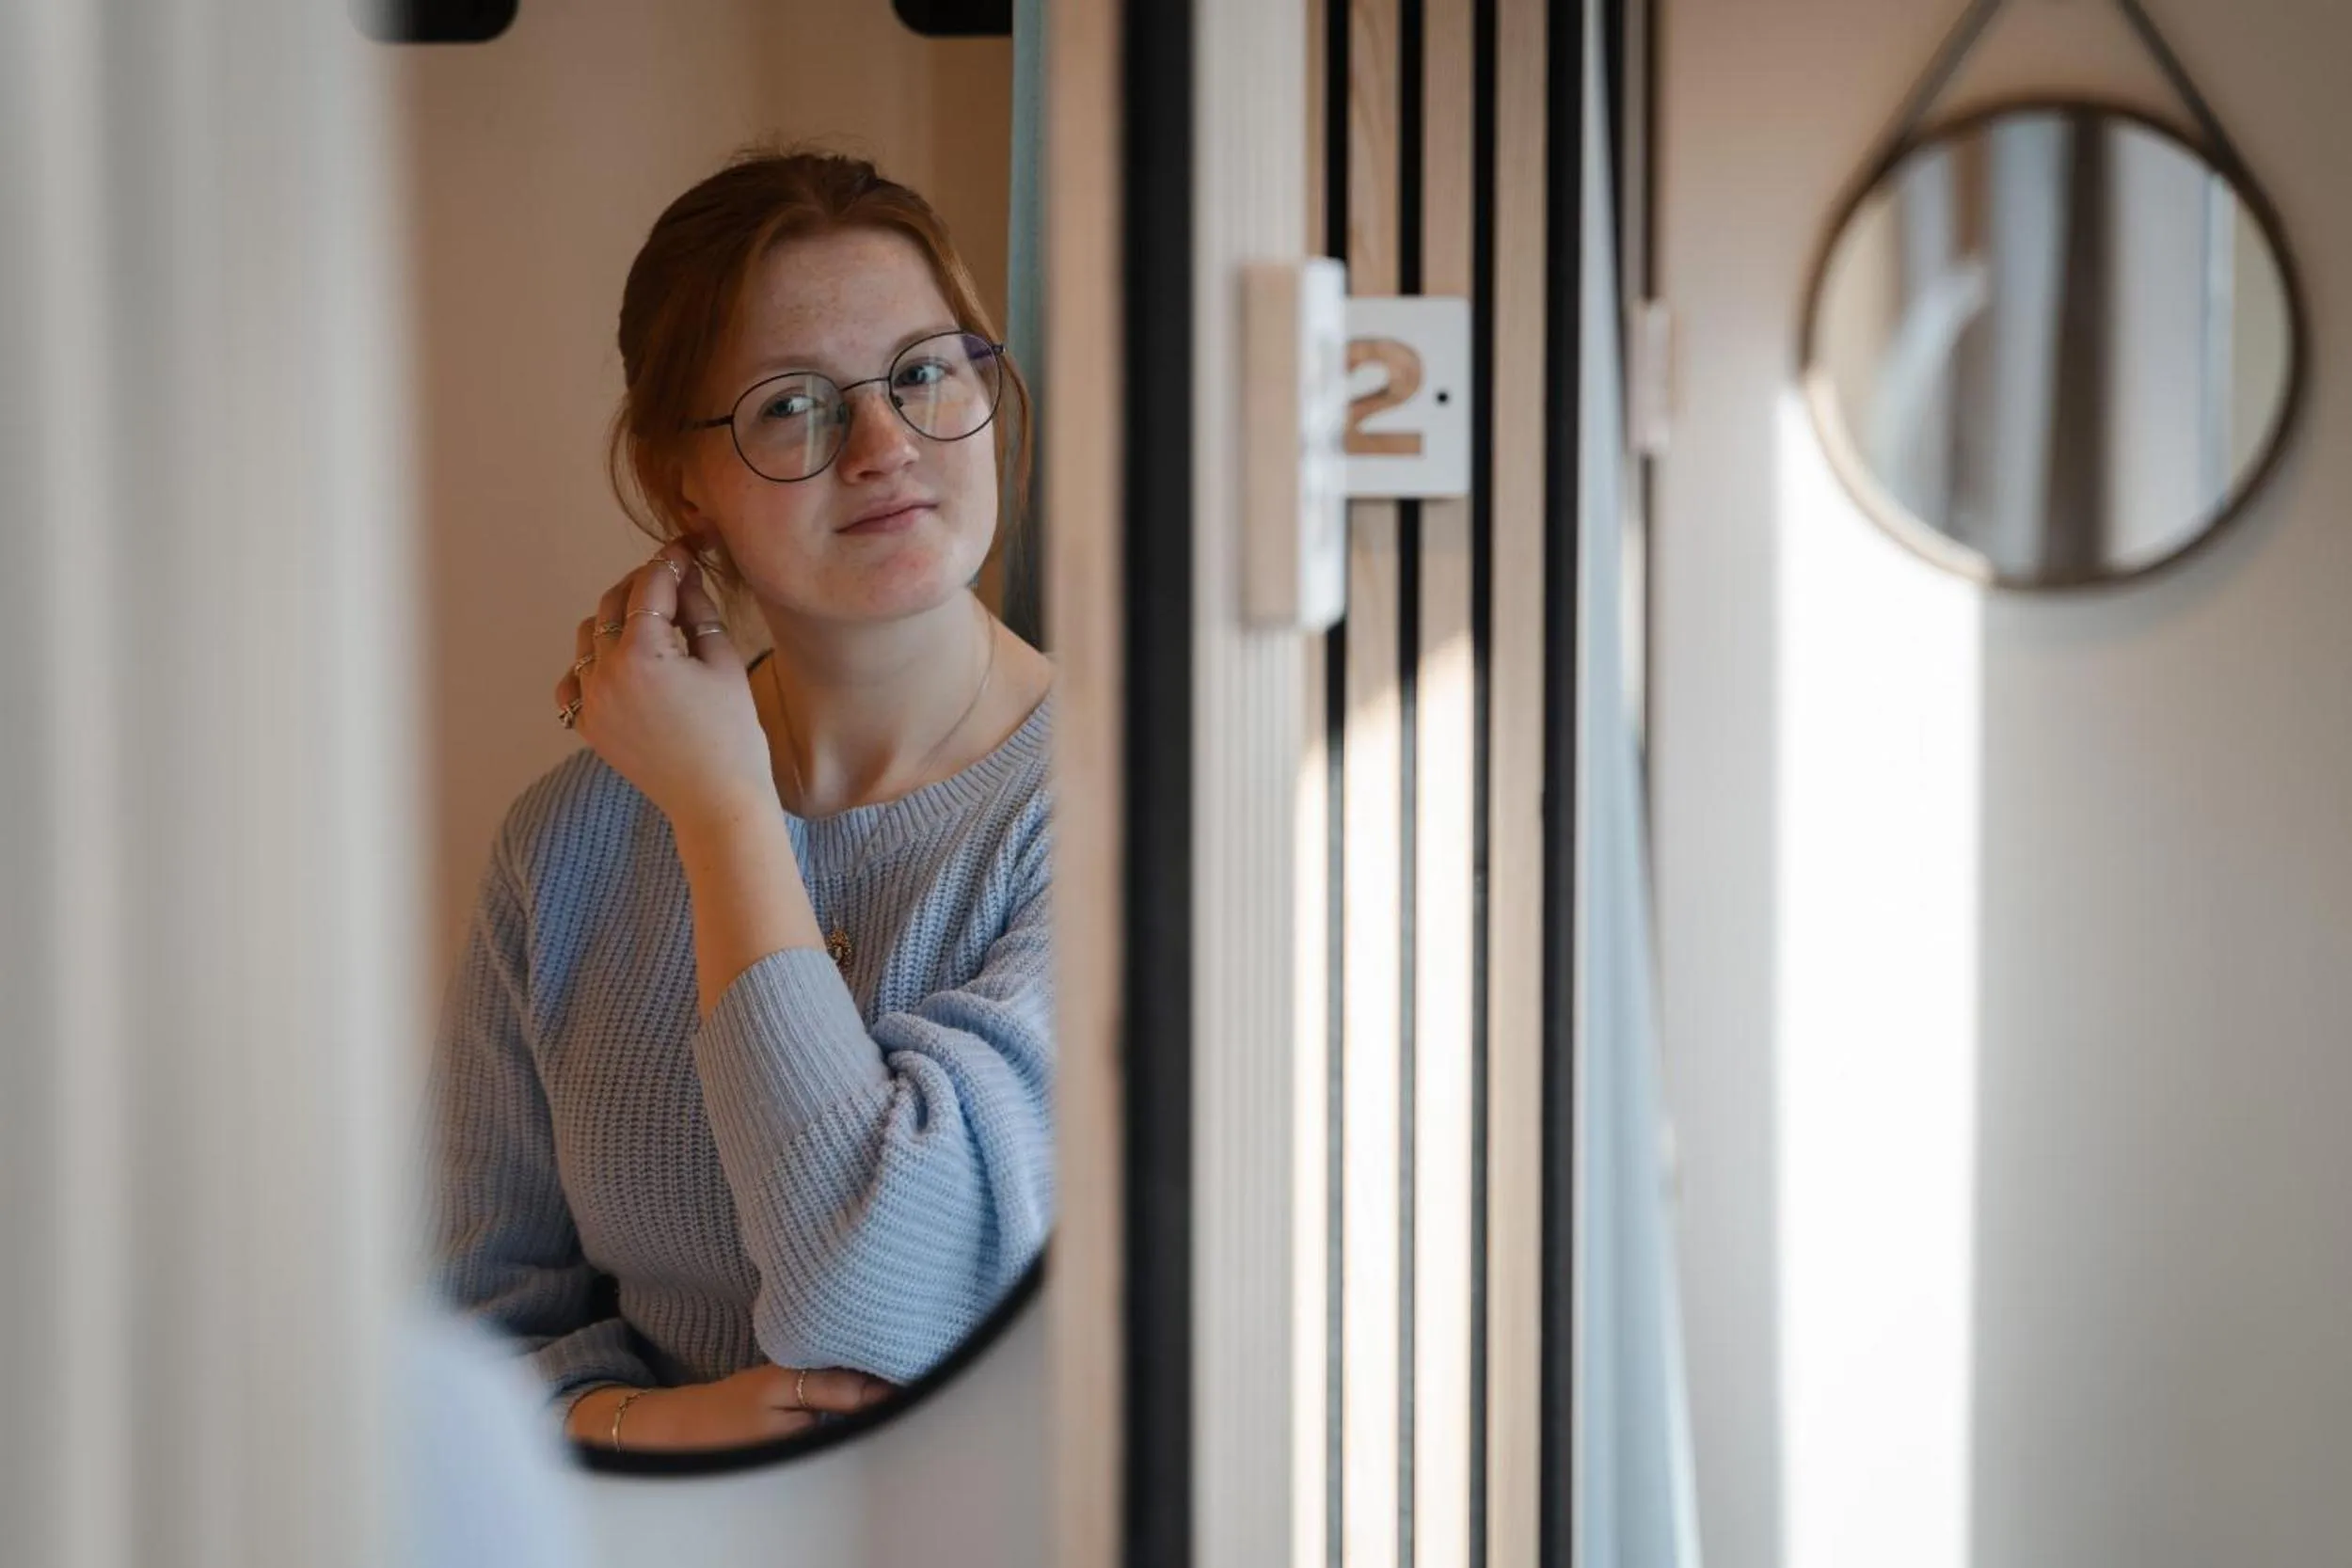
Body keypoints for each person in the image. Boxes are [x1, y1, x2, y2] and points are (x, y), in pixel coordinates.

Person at [427, 148, 1057, 1454]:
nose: (885, 445)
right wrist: (649, 1425)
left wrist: (722, 812)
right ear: (681, 485)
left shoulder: (1118, 812)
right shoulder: (566, 846)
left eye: (926, 371)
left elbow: (891, 1297)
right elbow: (473, 1328)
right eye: (792, 406)